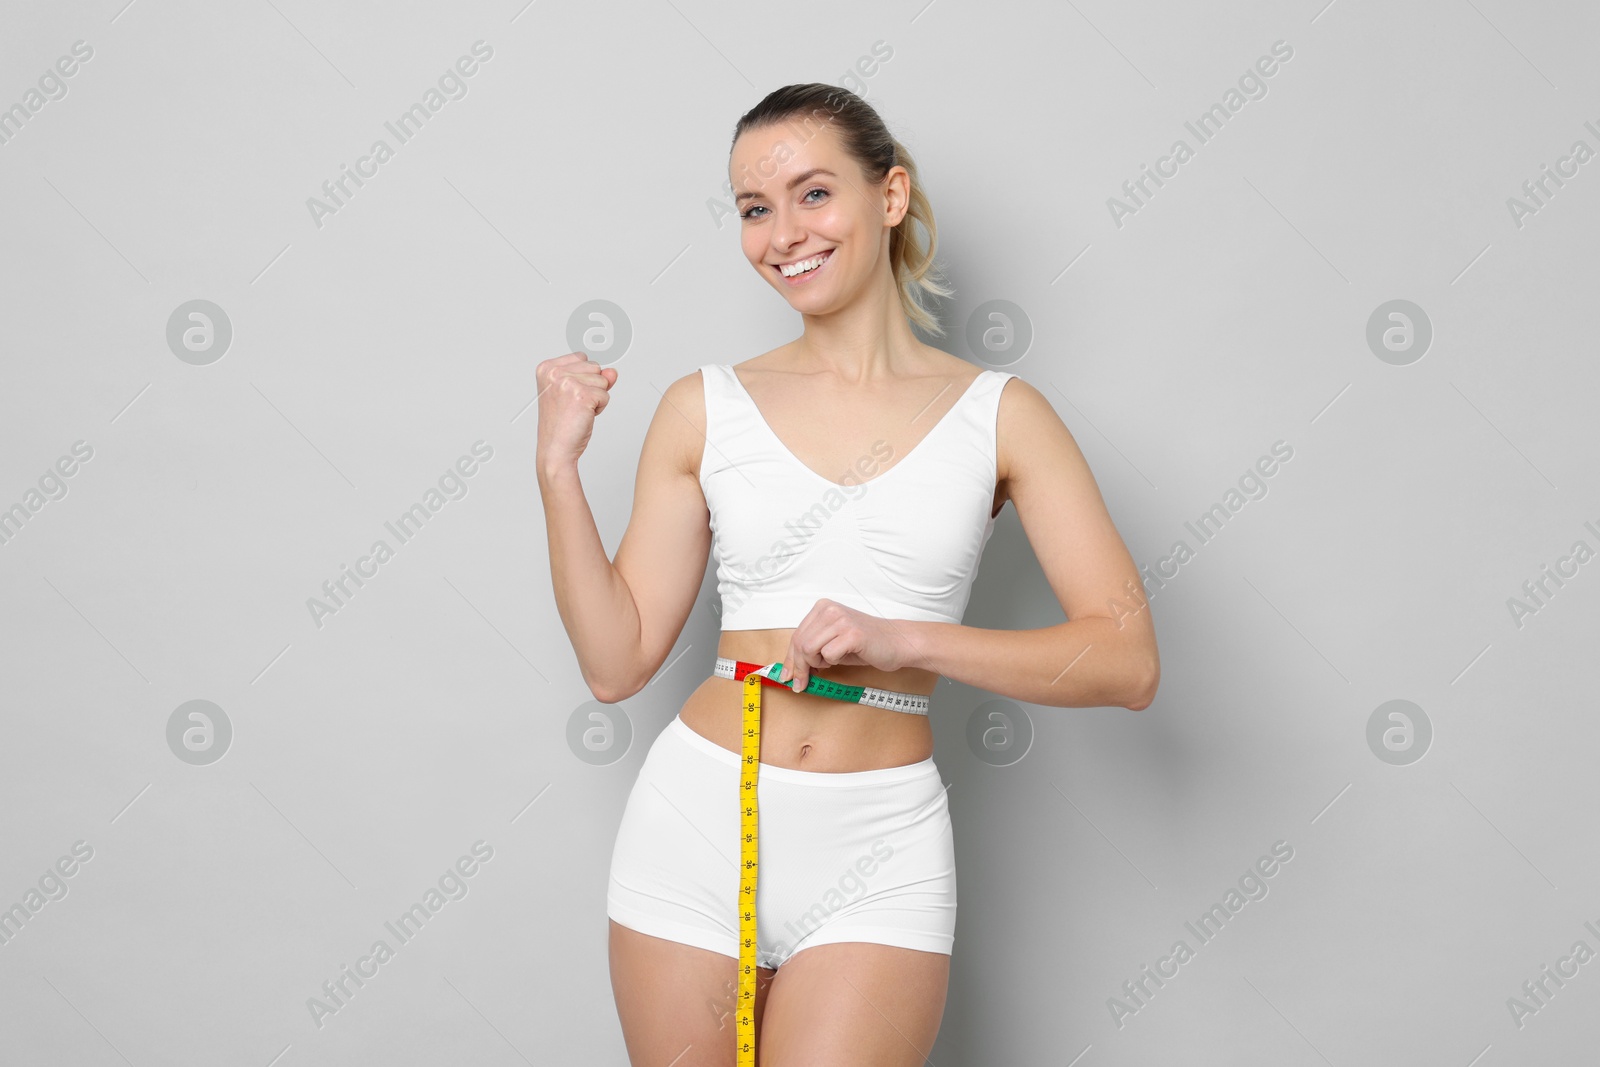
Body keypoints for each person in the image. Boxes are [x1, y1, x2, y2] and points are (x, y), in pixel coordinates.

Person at [537, 83, 1160, 1066]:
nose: (782, 233)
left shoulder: (1002, 414)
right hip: (697, 818)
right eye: (753, 208)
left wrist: (903, 639)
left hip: (879, 842)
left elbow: (1125, 660)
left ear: (891, 195)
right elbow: (615, 662)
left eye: (813, 193)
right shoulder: (704, 406)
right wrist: (558, 469)